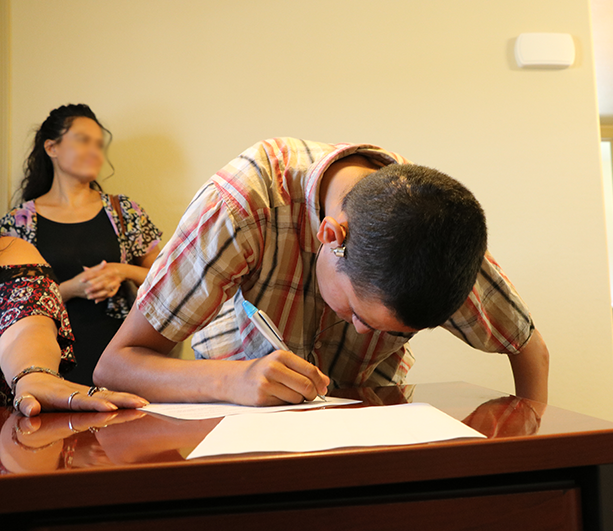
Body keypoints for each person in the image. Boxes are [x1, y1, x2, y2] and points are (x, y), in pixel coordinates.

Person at [95, 138, 549, 405]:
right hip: (236, 416)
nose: (356, 328)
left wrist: (531, 457)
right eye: (357, 312)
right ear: (333, 237)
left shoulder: (435, 229)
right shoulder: (240, 206)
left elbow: (529, 348)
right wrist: (235, 380)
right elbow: (115, 365)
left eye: (385, 330)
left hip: (362, 418)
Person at [0, 104, 162, 386]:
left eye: (99, 144)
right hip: (48, 365)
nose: (95, 151)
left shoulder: (124, 211)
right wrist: (71, 289)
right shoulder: (18, 222)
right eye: (83, 140)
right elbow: (10, 309)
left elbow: (167, 280)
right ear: (51, 147)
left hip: (120, 361)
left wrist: (122, 271)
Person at [0, 236, 149, 417]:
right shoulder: (19, 218)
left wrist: (34, 374)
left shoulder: (10, 252)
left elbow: (26, 326)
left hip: (101, 337)